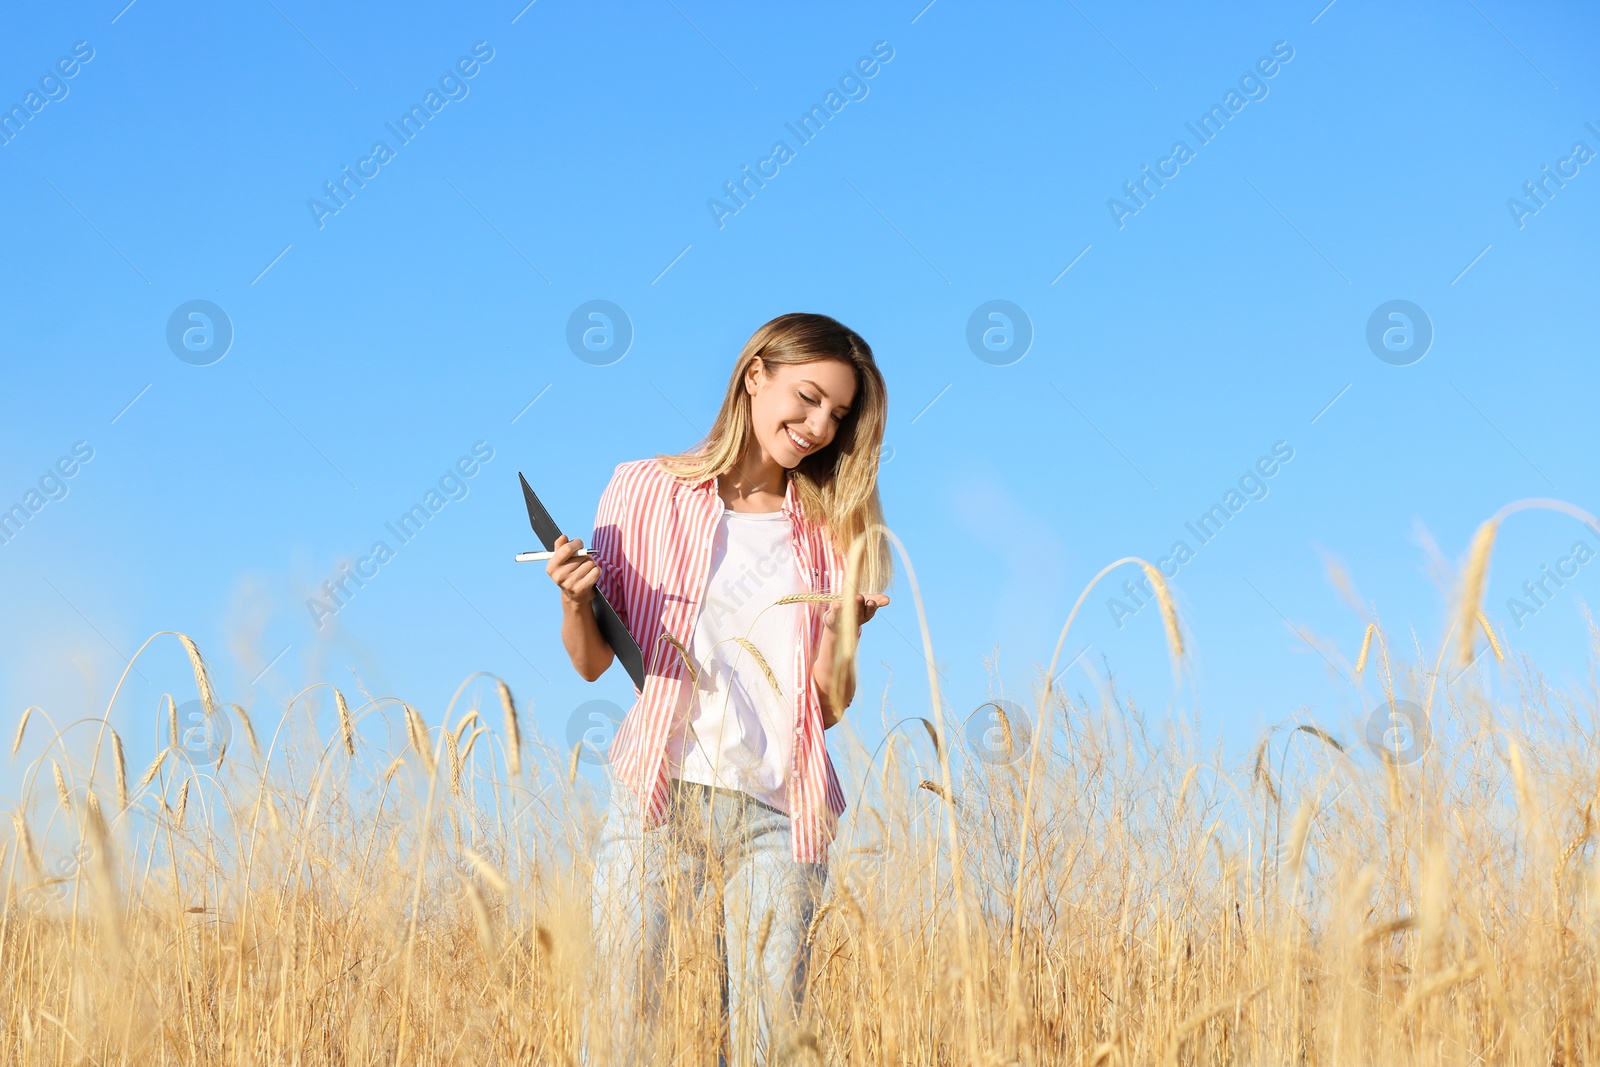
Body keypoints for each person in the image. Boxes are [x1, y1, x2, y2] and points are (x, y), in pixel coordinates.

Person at [547, 312, 893, 1064]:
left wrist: (847, 631)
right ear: (754, 374)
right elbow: (593, 663)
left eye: (837, 416)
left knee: (769, 1043)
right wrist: (576, 598)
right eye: (806, 398)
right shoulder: (643, 488)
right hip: (659, 795)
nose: (817, 426)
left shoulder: (833, 528)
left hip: (779, 815)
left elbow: (827, 709)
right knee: (618, 1030)